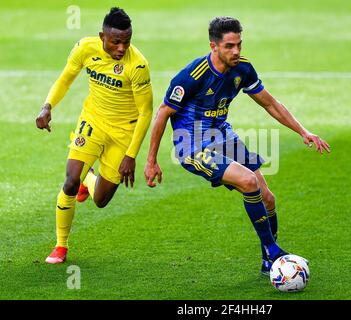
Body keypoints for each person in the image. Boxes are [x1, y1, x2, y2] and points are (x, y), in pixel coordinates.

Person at [144, 17, 330, 275]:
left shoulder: (243, 69)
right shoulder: (192, 75)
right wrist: (152, 160)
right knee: (248, 182)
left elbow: (270, 103)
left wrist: (303, 131)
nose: (237, 51)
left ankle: (268, 261)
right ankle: (274, 251)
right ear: (214, 46)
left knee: (268, 198)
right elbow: (163, 113)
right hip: (192, 145)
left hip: (222, 136)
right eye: (230, 46)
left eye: (239, 44)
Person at [35, 7, 153, 264]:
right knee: (69, 181)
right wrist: (47, 106)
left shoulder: (138, 65)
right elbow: (66, 78)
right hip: (93, 121)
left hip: (123, 131)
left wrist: (131, 155)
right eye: (116, 42)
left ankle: (88, 181)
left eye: (127, 42)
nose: (121, 48)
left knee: (101, 200)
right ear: (102, 37)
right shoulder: (85, 48)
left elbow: (146, 113)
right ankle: (60, 246)